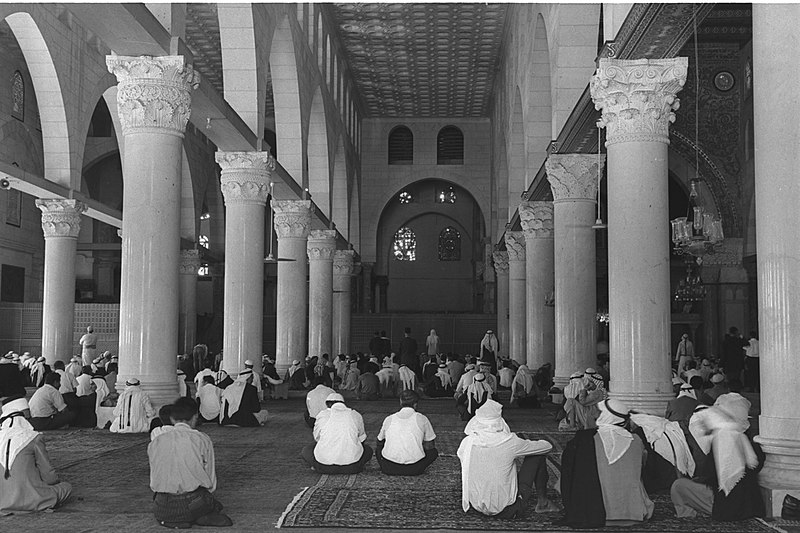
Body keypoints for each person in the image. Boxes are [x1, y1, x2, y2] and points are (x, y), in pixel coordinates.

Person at [670, 393, 765, 521]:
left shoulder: (722, 439)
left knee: (678, 486)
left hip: (723, 504)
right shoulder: (749, 442)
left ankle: (689, 512)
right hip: (751, 505)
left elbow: (712, 477)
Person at [560, 399, 654, 528]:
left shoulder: (584, 439)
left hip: (594, 514)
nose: (593, 415)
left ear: (605, 416)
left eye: (598, 412)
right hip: (635, 514)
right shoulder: (637, 440)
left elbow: (568, 473)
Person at [457, 399, 556, 517]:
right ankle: (543, 503)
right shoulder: (509, 441)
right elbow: (547, 446)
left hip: (476, 507)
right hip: (508, 510)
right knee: (537, 455)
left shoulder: (467, 442)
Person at [148, 398, 232, 529]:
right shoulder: (201, 439)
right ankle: (197, 516)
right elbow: (210, 482)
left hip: (161, 506)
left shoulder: (156, 441)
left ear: (172, 419)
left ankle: (176, 519)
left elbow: (154, 476)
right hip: (194, 502)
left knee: (173, 500)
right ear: (195, 417)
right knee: (213, 504)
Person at [0, 397, 72, 514]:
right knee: (66, 487)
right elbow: (49, 477)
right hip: (33, 499)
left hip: (2, 502)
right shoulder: (33, 437)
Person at [301, 393, 373, 474]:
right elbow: (362, 438)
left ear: (328, 405)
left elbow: (317, 437)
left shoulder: (323, 415)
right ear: (343, 403)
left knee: (306, 450)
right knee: (368, 450)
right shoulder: (355, 414)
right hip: (352, 467)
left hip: (324, 467)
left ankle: (316, 465)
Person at [376, 390, 438, 476]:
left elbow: (379, 441)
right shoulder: (422, 419)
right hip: (414, 469)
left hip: (389, 467)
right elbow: (430, 446)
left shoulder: (389, 418)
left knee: (378, 449)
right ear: (415, 404)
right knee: (433, 452)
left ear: (400, 402)